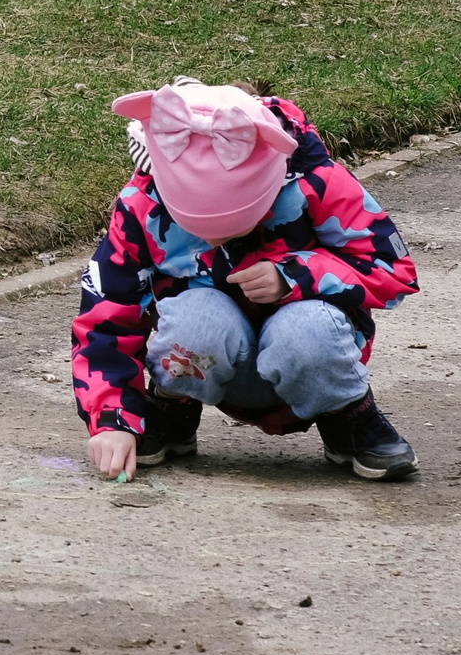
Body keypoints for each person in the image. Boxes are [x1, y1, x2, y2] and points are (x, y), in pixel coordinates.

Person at [72, 78, 422, 482]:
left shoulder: (316, 181)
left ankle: (348, 415)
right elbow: (106, 317)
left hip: (311, 357)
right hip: (203, 361)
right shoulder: (141, 204)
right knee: (197, 318)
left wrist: (294, 274)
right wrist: (112, 420)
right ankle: (171, 409)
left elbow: (392, 268)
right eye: (194, 226)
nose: (215, 241)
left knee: (306, 329)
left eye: (237, 224)